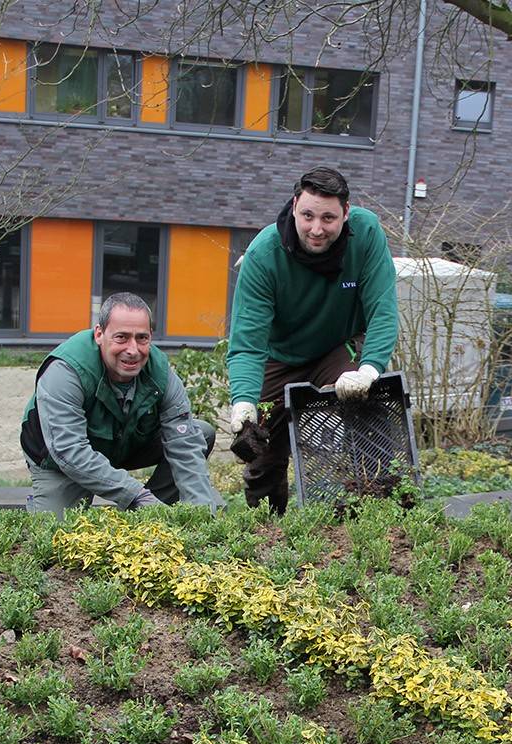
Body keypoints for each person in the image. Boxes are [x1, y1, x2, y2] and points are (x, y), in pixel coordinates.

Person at [226, 166, 399, 514]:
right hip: (280, 355)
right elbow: (248, 341)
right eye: (307, 215)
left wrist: (369, 369)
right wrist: (243, 399)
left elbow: (383, 309)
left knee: (364, 405)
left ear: (346, 214)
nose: (316, 229)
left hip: (338, 349)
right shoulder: (264, 255)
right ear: (294, 207)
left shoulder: (365, 234)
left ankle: (376, 513)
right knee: (262, 452)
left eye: (328, 218)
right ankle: (267, 527)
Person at [21, 292, 222, 514]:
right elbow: (69, 451)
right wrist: (136, 494)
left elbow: (185, 444)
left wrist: (203, 515)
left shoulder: (160, 373)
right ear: (99, 334)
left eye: (142, 338)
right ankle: (144, 506)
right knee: (57, 535)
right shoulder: (66, 371)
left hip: (123, 443)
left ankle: (145, 516)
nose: (133, 350)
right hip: (60, 459)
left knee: (198, 433)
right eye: (121, 337)